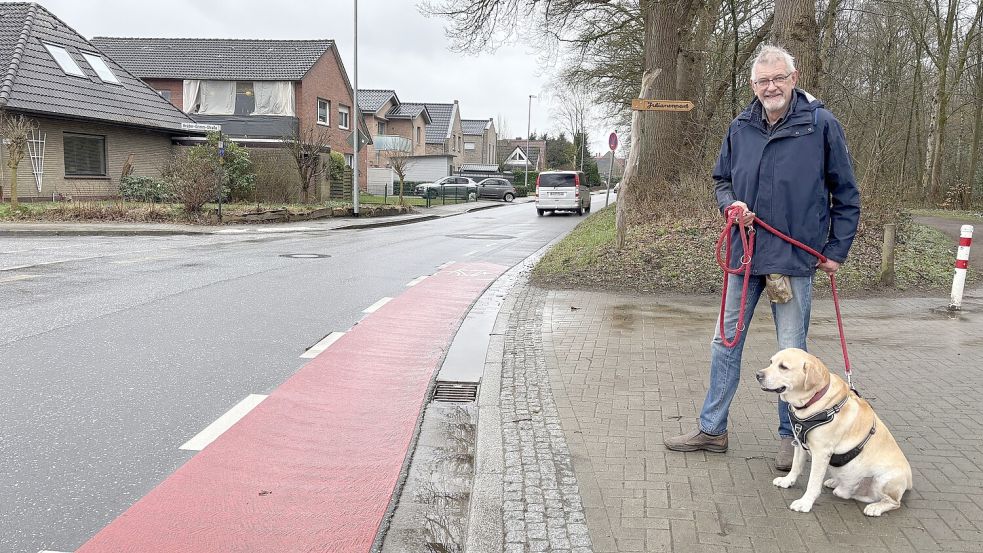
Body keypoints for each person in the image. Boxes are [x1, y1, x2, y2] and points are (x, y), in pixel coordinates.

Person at [663, 44, 860, 471]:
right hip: (744, 256)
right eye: (762, 80)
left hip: (792, 260)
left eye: (778, 78)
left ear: (793, 77)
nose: (770, 87)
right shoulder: (740, 127)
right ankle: (712, 429)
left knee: (792, 353)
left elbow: (846, 194)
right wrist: (730, 205)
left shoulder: (820, 125)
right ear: (753, 85)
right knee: (725, 341)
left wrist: (835, 250)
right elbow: (721, 179)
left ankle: (793, 438)